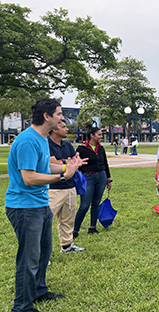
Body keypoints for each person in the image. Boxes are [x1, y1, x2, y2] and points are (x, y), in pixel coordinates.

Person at [5, 98, 86, 312]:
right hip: (24, 207)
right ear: (47, 116)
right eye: (59, 113)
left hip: (40, 204)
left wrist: (67, 167)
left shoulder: (41, 139)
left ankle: (39, 291)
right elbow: (29, 178)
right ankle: (22, 306)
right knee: (29, 258)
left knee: (43, 253)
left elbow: (46, 165)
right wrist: (63, 177)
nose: (63, 117)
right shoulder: (27, 141)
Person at [48, 120, 85, 254]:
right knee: (47, 221)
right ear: (55, 129)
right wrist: (66, 162)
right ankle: (41, 252)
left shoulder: (67, 145)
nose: (67, 129)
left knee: (68, 219)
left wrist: (69, 162)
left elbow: (74, 161)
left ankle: (66, 246)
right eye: (64, 127)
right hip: (53, 188)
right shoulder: (46, 144)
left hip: (70, 187)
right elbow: (51, 162)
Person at [73, 125, 113, 238]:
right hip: (88, 177)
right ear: (92, 135)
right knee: (84, 205)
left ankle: (92, 227)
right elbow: (77, 164)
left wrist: (108, 179)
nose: (101, 136)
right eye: (99, 134)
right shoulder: (81, 149)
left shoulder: (101, 148)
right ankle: (75, 230)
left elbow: (105, 164)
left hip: (101, 177)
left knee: (96, 203)